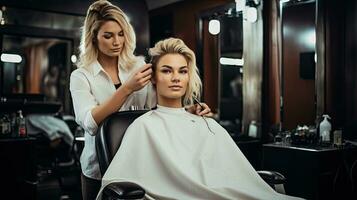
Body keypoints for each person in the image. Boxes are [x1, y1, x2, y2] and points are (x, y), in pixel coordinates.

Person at [97, 38, 304, 200]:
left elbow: (236, 174)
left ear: (189, 77)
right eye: (167, 71)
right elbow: (117, 183)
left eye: (183, 71)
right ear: (153, 78)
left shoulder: (205, 122)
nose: (176, 78)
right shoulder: (143, 126)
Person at [69, 1, 211, 200]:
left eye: (120, 34)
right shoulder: (81, 76)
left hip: (141, 161)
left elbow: (158, 107)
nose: (116, 42)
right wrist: (127, 89)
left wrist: (188, 110)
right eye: (108, 36)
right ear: (94, 38)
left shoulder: (138, 66)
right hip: (98, 168)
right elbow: (91, 123)